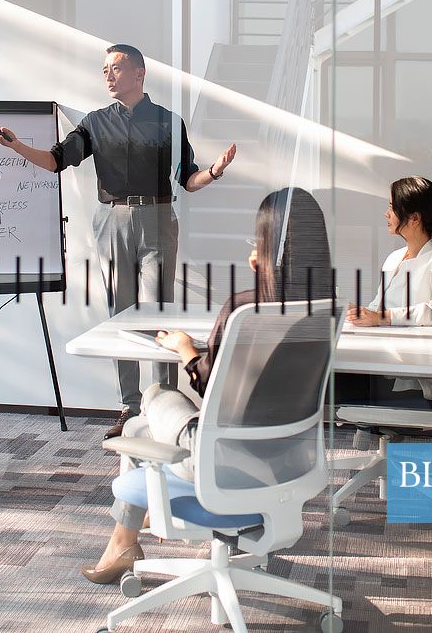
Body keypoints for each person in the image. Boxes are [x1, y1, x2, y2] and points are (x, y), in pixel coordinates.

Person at [80, 187, 332, 585]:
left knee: (154, 397)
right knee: (137, 429)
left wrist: (184, 349)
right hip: (284, 464)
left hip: (221, 463)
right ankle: (123, 541)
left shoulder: (246, 309)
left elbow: (208, 387)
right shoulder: (325, 311)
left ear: (265, 246)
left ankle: (125, 540)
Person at [0, 43, 237, 439]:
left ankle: (165, 402)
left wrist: (215, 171)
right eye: (104, 68)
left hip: (157, 217)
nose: (107, 75)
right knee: (121, 314)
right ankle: (128, 405)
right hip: (112, 218)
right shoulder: (94, 122)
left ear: (139, 73)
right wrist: (16, 146)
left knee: (159, 313)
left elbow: (188, 179)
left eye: (116, 68)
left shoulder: (168, 122)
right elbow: (55, 161)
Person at [346, 176, 432, 409]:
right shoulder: (394, 258)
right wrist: (352, 311)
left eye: (391, 207)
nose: (386, 214)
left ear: (414, 218)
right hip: (380, 358)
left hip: (405, 369)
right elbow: (377, 309)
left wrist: (381, 318)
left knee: (324, 382)